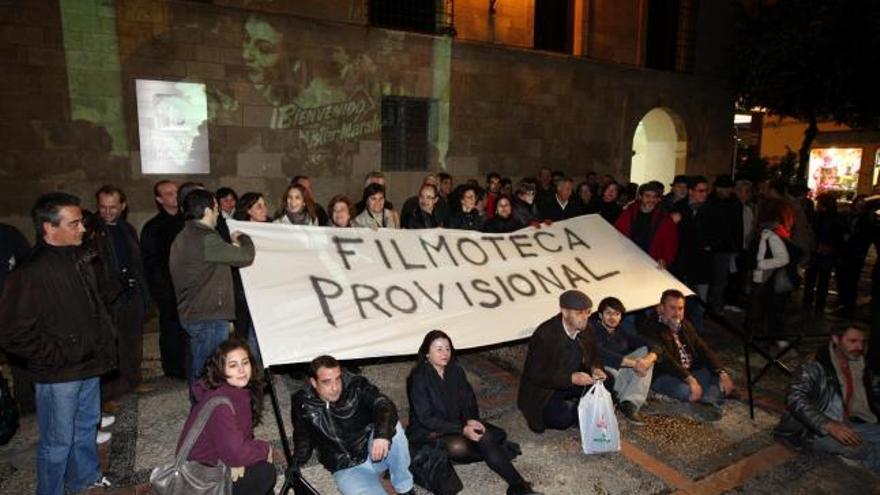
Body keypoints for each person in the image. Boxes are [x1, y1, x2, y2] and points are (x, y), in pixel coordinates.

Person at [0, 192, 116, 493]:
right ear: (50, 229)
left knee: (86, 429)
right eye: (74, 223)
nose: (83, 229)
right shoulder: (29, 273)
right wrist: (59, 355)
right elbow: (12, 334)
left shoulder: (80, 257)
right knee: (57, 442)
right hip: (59, 374)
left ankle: (85, 480)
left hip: (88, 365)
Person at [407, 331, 540, 495]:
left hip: (457, 422)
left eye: (448, 348)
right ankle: (490, 454)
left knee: (484, 436)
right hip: (429, 431)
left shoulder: (455, 371)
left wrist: (470, 419)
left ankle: (518, 486)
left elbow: (469, 400)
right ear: (427, 353)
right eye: (439, 349)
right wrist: (462, 429)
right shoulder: (418, 378)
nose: (445, 353)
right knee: (460, 446)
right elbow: (426, 418)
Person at [169, 189, 256, 390]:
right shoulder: (205, 238)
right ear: (208, 210)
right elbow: (245, 256)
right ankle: (206, 410)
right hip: (208, 316)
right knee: (209, 371)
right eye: (216, 209)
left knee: (201, 367)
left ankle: (203, 407)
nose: (218, 213)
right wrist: (244, 238)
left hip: (198, 314)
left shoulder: (186, 236)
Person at [292, 355, 415, 495]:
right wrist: (295, 462)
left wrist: (382, 435)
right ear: (313, 382)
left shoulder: (355, 385)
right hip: (346, 467)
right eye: (327, 382)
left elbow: (383, 404)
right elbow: (303, 437)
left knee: (394, 429)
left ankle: (404, 486)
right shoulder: (303, 402)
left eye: (338, 379)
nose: (335, 387)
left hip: (374, 451)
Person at [775, 325, 879, 473]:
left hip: (850, 421)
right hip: (813, 430)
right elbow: (795, 398)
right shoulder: (813, 365)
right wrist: (828, 424)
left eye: (862, 342)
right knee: (863, 449)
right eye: (853, 341)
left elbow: (867, 396)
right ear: (836, 339)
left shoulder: (857, 362)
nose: (859, 347)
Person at [177, 338, 275, 494]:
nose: (242, 370)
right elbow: (235, 454)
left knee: (256, 469)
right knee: (264, 473)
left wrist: (237, 459)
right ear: (220, 370)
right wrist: (265, 449)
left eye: (245, 362)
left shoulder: (237, 392)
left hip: (218, 459)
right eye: (233, 365)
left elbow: (239, 439)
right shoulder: (221, 405)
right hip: (203, 477)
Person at [639, 290, 735, 420]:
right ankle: (709, 398)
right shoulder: (650, 327)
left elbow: (703, 349)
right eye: (672, 308)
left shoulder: (685, 324)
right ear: (660, 308)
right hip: (665, 374)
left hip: (690, 370)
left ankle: (707, 402)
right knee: (687, 391)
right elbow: (666, 360)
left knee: (718, 376)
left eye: (680, 308)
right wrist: (690, 379)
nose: (677, 313)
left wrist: (721, 372)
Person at [92, 185, 151, 398]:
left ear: (123, 206)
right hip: (107, 296)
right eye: (103, 207)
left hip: (131, 292)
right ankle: (107, 393)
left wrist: (144, 295)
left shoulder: (128, 230)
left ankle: (133, 380)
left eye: (113, 207)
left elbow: (137, 263)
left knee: (132, 341)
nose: (107, 212)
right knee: (110, 345)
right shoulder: (92, 232)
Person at [517, 290, 605, 432]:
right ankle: (578, 411)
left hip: (575, 376)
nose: (585, 318)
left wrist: (596, 368)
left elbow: (594, 356)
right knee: (561, 420)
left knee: (607, 381)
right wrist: (571, 378)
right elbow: (536, 375)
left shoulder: (587, 329)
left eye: (588, 312)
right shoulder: (545, 334)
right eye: (579, 313)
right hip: (547, 388)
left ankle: (580, 408)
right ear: (564, 312)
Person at [140, 180, 187, 379]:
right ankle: (173, 369)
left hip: (190, 286)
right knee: (170, 329)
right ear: (159, 199)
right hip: (167, 288)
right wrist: (162, 290)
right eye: (168, 194)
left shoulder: (188, 221)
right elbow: (150, 263)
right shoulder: (153, 227)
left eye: (176, 192)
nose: (174, 196)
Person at [590, 297, 659, 425]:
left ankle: (630, 403)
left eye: (617, 314)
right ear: (600, 315)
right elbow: (599, 353)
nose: (613, 317)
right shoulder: (593, 328)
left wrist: (648, 360)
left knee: (644, 351)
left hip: (620, 369)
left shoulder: (620, 331)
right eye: (608, 313)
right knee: (614, 372)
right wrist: (634, 364)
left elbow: (654, 345)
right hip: (602, 371)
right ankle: (622, 398)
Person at [745, 197, 798, 341]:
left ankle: (766, 340)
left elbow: (783, 258)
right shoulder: (773, 232)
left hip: (768, 278)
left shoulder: (769, 233)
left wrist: (760, 264)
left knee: (765, 311)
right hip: (768, 279)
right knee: (769, 312)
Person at [614, 181, 678, 268]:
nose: (651, 200)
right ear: (640, 197)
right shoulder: (629, 213)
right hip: (627, 260)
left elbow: (670, 242)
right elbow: (617, 234)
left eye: (654, 197)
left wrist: (665, 259)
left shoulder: (664, 218)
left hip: (652, 263)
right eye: (647, 196)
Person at [703, 175, 743, 312]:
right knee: (708, 278)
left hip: (724, 247)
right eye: (724, 188)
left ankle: (715, 306)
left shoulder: (734, 202)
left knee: (720, 280)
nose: (726, 191)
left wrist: (736, 246)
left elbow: (738, 226)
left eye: (728, 189)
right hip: (710, 246)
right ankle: (709, 306)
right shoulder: (710, 201)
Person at [802, 193, 844, 313]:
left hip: (826, 252)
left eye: (819, 204)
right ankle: (811, 300)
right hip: (817, 251)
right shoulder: (819, 216)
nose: (818, 206)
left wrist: (829, 247)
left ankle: (817, 301)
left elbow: (838, 237)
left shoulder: (832, 219)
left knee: (822, 278)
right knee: (813, 277)